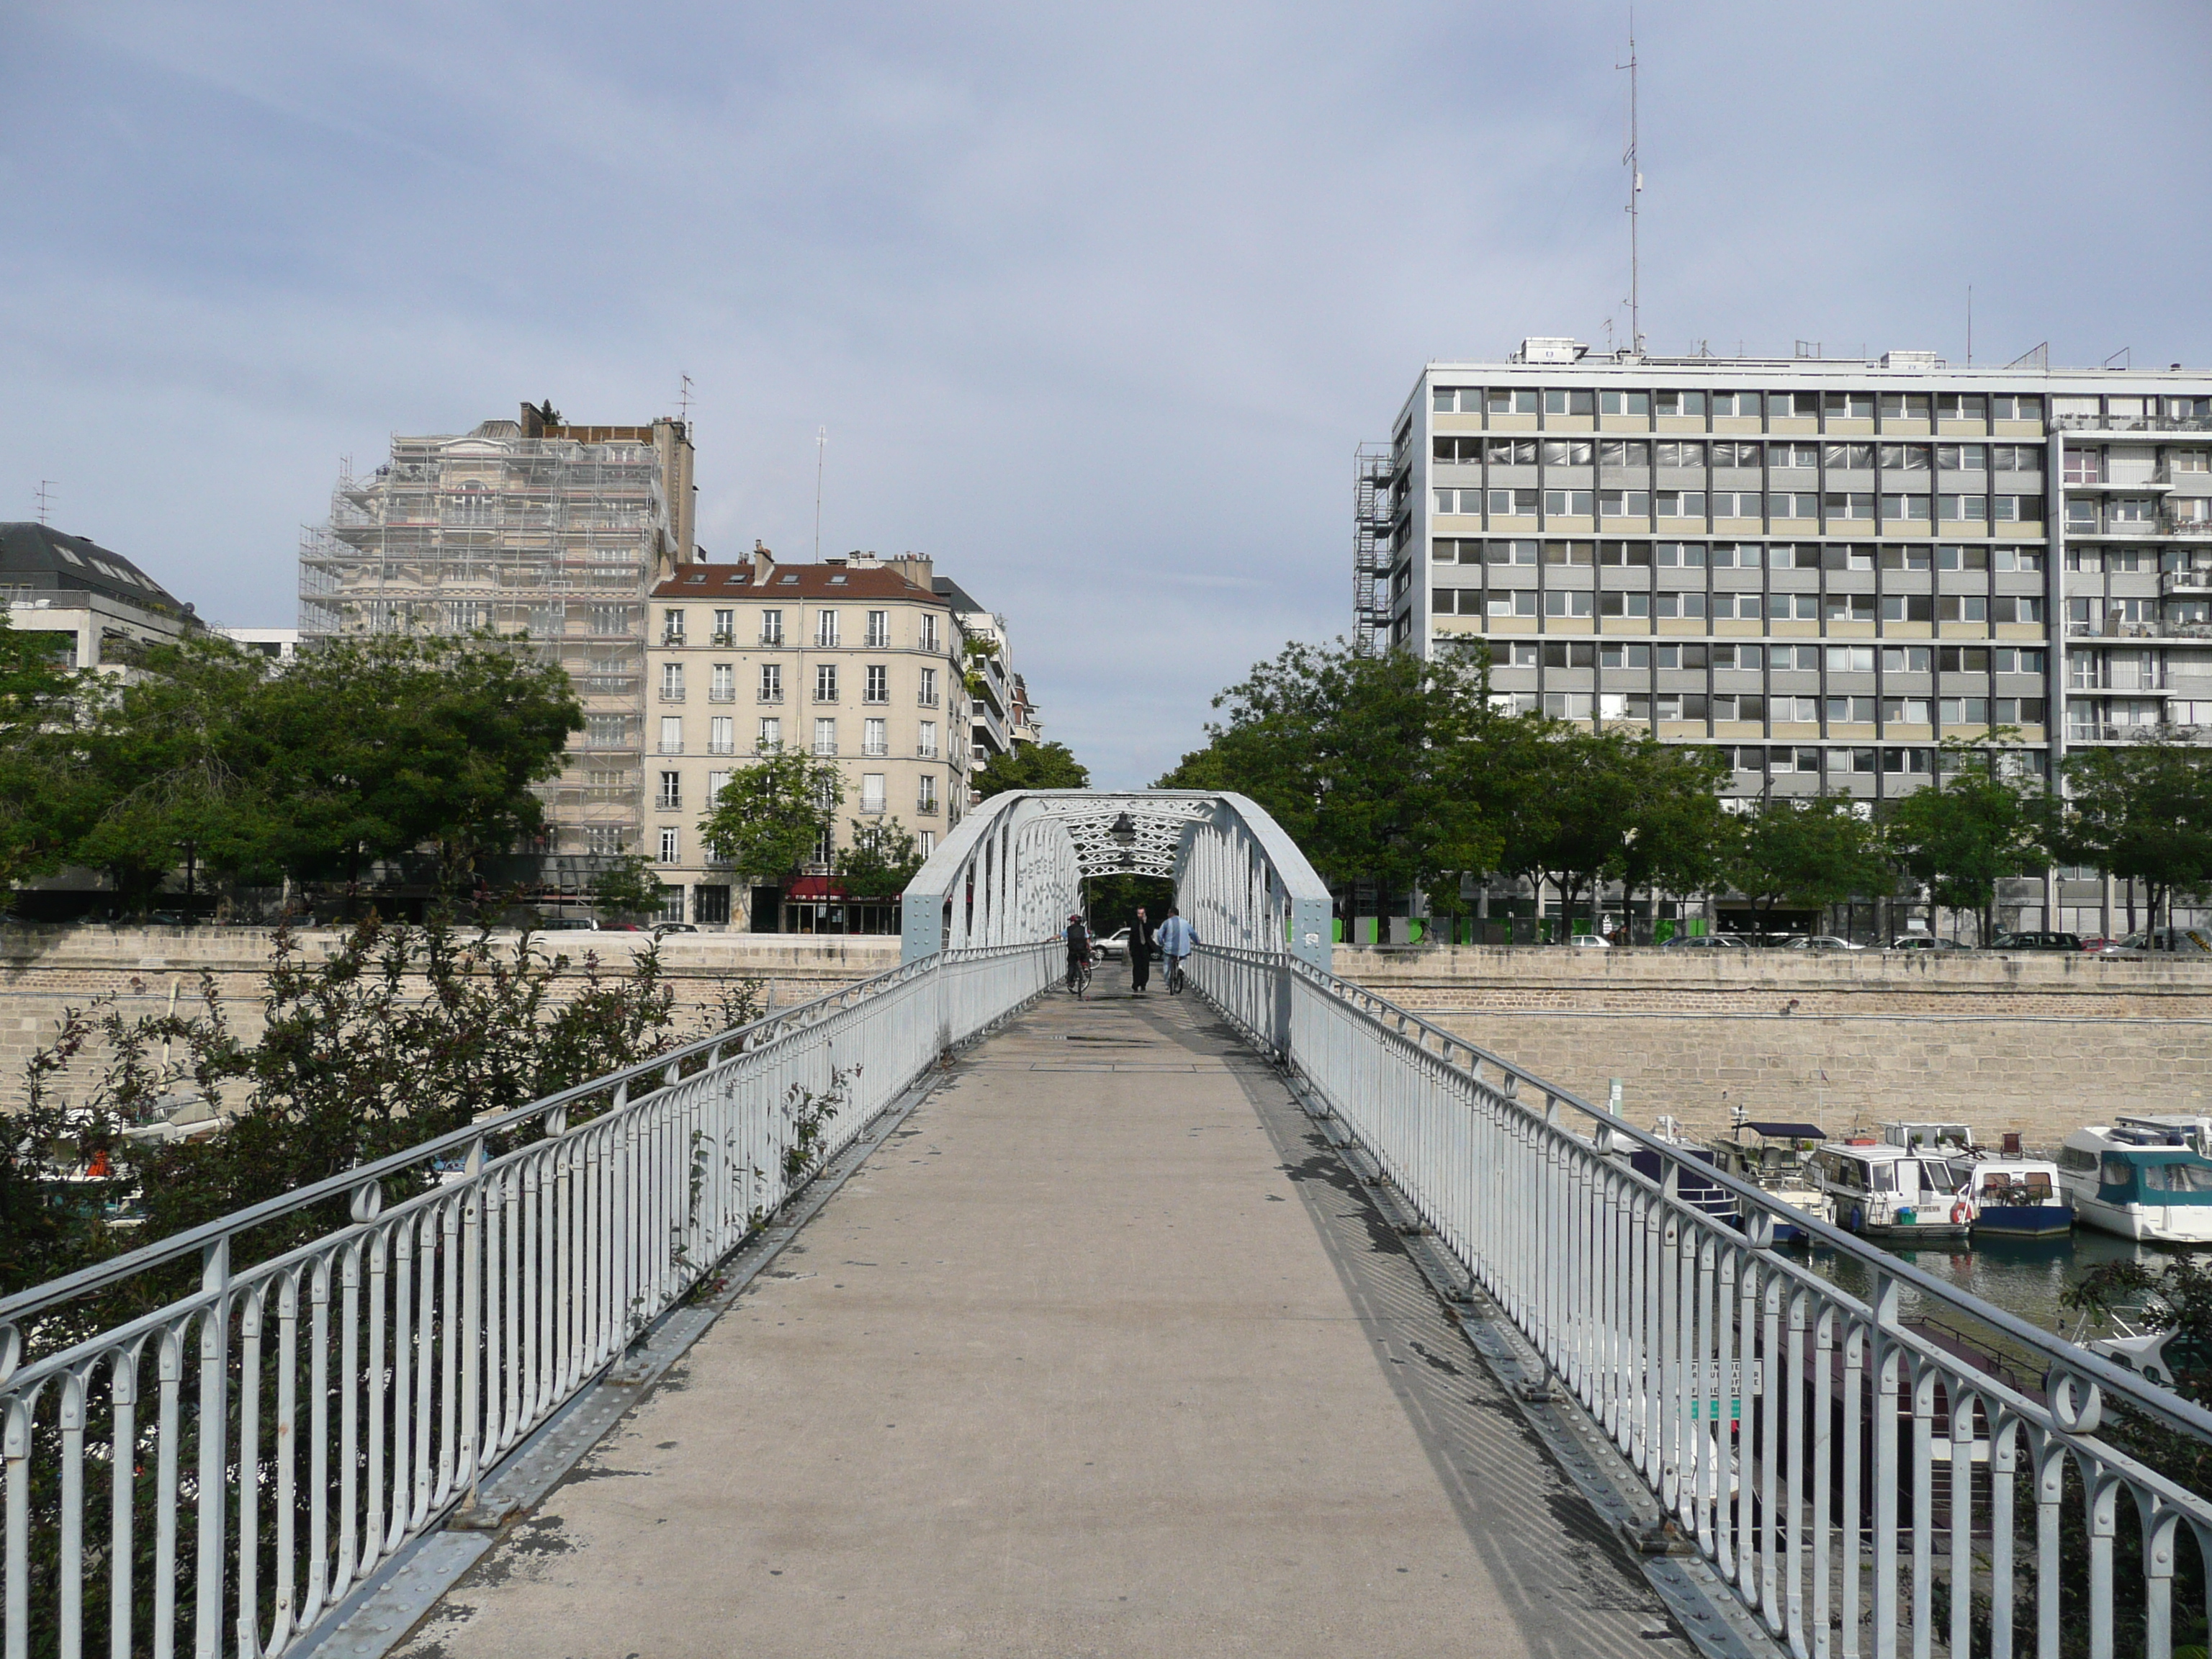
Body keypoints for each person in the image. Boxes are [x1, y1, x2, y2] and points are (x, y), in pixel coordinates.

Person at [1156, 907, 1195, 994]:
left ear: (1171, 914)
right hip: (1183, 948)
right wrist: (1198, 942)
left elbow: (1159, 935)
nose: (1167, 915)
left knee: (1167, 964)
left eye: (1168, 913)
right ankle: (1181, 966)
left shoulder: (1166, 923)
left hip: (1169, 948)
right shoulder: (1185, 923)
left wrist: (1161, 944)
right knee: (1184, 956)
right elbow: (1193, 933)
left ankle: (1167, 983)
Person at [1127, 906, 1154, 994]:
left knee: (1145, 967)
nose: (1140, 915)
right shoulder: (1134, 923)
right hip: (1136, 947)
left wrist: (1145, 922)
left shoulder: (1149, 923)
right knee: (1136, 967)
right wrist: (1130, 948)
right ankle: (1136, 983)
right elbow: (1132, 936)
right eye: (1139, 913)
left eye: (1142, 913)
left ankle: (1143, 984)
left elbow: (1149, 933)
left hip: (1145, 947)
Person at [1063, 912, 1092, 992]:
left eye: (1071, 921)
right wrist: (1089, 947)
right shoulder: (1083, 929)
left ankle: (1070, 982)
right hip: (1082, 949)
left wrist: (1049, 939)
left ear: (1073, 922)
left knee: (1071, 965)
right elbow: (1086, 938)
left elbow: (1059, 935)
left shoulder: (1069, 929)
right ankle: (1085, 967)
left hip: (1072, 950)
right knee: (1084, 957)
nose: (1070, 922)